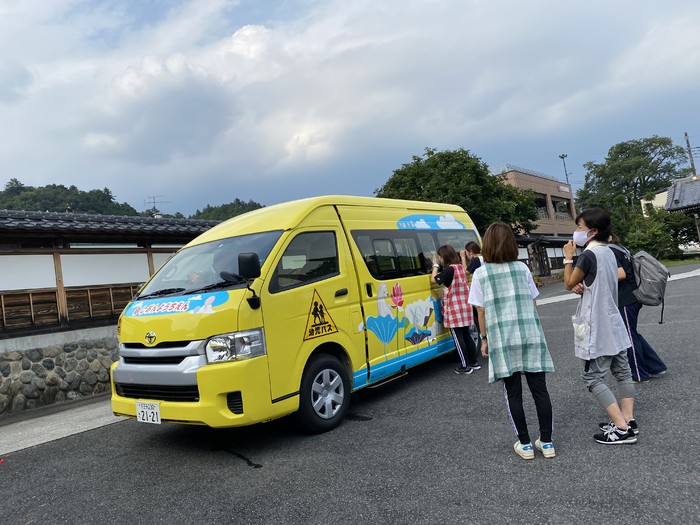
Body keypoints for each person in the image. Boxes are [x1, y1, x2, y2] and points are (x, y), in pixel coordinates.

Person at [468, 223, 554, 460]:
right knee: (540, 391)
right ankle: (547, 442)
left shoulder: (480, 274)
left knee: (513, 392)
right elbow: (533, 302)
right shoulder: (522, 268)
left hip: (502, 337)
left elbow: (481, 312)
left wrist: (484, 340)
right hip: (530, 334)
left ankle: (525, 444)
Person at [563, 208, 637, 445]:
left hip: (597, 324)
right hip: (613, 320)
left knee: (593, 377)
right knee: (622, 371)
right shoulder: (608, 252)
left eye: (579, 228)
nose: (576, 232)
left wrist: (567, 258)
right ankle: (629, 420)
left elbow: (567, 283)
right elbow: (597, 281)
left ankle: (621, 428)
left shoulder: (587, 255)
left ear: (593, 231)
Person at [609, 235, 668, 383]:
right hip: (633, 296)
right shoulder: (620, 247)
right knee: (632, 334)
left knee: (628, 337)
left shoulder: (609, 250)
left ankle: (639, 375)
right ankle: (656, 366)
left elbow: (620, 274)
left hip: (625, 299)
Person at [431, 245, 481, 375]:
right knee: (467, 335)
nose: (440, 259)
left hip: (454, 309)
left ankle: (464, 366)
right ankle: (474, 362)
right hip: (465, 306)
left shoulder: (448, 270)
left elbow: (434, 279)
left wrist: (435, 266)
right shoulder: (459, 268)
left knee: (458, 339)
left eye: (440, 257)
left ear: (444, 257)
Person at [462, 241, 484, 354]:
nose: (466, 255)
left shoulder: (476, 260)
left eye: (466, 252)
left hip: (481, 291)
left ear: (470, 251)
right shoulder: (485, 257)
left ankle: (485, 339)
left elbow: (466, 272)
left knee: (481, 312)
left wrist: (462, 258)